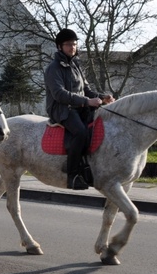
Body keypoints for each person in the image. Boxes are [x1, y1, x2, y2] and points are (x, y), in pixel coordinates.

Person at [45, 28, 114, 190]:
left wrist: (103, 97)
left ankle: (88, 165)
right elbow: (59, 94)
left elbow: (87, 90)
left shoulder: (76, 65)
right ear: (59, 46)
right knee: (81, 132)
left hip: (79, 106)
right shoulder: (53, 68)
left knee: (97, 126)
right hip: (61, 108)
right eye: (68, 44)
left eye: (74, 44)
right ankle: (72, 175)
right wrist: (87, 101)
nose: (72, 47)